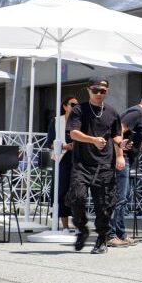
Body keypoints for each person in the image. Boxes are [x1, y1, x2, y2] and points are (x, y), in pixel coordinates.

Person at [66, 77, 124, 254]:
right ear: (88, 90)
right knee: (77, 197)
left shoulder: (113, 112)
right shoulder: (79, 110)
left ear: (107, 91)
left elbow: (116, 136)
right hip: (82, 164)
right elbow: (74, 134)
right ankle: (82, 229)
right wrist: (92, 140)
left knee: (104, 204)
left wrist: (122, 151)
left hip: (105, 164)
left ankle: (101, 239)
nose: (99, 94)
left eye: (103, 91)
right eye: (96, 90)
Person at [108, 90, 142, 246]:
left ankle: (121, 234)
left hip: (127, 159)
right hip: (122, 159)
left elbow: (130, 133)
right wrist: (119, 155)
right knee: (119, 199)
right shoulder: (137, 112)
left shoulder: (141, 115)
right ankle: (111, 235)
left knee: (123, 199)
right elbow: (117, 131)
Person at [46, 96, 79, 230]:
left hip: (78, 158)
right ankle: (64, 226)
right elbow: (50, 143)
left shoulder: (80, 122)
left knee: (78, 191)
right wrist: (65, 147)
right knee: (62, 191)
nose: (75, 107)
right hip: (62, 159)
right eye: (72, 104)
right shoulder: (56, 121)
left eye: (77, 105)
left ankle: (78, 224)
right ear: (65, 106)